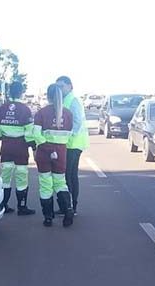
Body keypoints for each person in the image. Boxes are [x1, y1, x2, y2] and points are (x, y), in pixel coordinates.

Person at [32, 84, 75, 227]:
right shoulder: (68, 114)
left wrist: (46, 147)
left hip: (44, 152)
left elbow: (36, 134)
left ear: (47, 96)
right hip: (61, 151)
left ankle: (48, 217)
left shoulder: (41, 113)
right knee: (60, 182)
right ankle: (68, 210)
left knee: (45, 184)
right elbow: (69, 135)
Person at [0, 81, 36, 216]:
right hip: (21, 147)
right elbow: (29, 132)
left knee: (5, 176)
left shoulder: (2, 108)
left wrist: (4, 137)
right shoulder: (25, 109)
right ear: (21, 92)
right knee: (21, 175)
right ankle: (22, 207)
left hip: (6, 146)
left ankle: (4, 204)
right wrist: (33, 146)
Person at [56, 76, 89, 215]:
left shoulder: (73, 100)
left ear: (70, 86)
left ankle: (70, 207)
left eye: (62, 86)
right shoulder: (64, 100)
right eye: (58, 87)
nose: (60, 89)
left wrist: (66, 137)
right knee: (69, 175)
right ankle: (67, 206)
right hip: (69, 144)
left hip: (73, 144)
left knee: (68, 176)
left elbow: (77, 122)